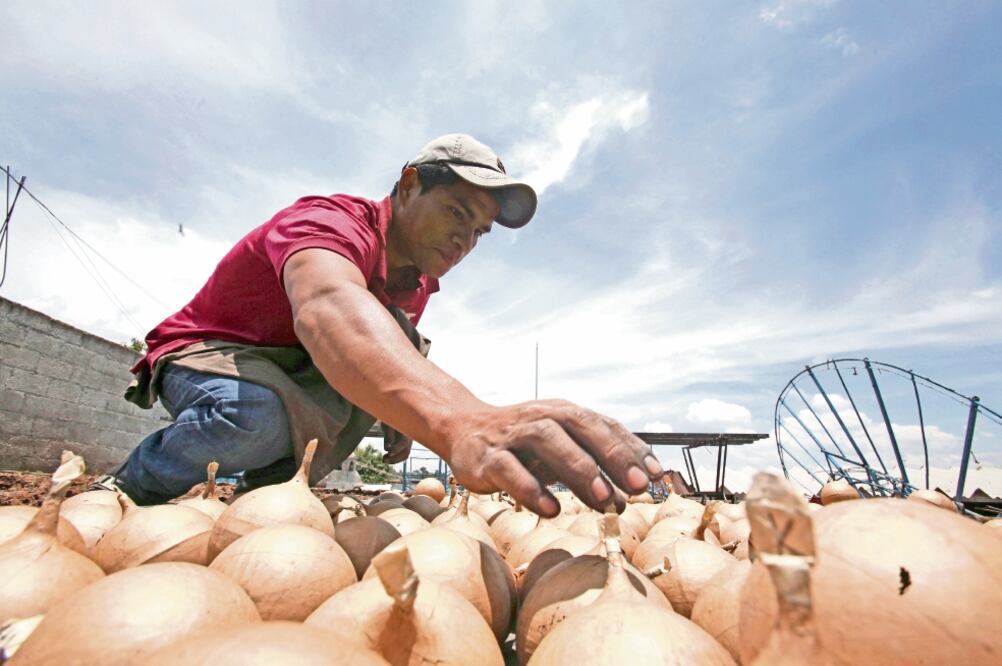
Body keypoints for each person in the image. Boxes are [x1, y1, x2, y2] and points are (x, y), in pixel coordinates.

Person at [98, 133, 663, 515]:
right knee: (251, 416)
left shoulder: (416, 286)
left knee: (396, 351)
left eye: (478, 233)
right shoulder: (330, 221)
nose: (465, 241)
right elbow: (329, 307)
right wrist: (459, 422)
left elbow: (386, 352)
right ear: (411, 184)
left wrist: (406, 412)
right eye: (457, 214)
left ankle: (259, 501)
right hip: (210, 356)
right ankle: (126, 487)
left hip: (295, 373)